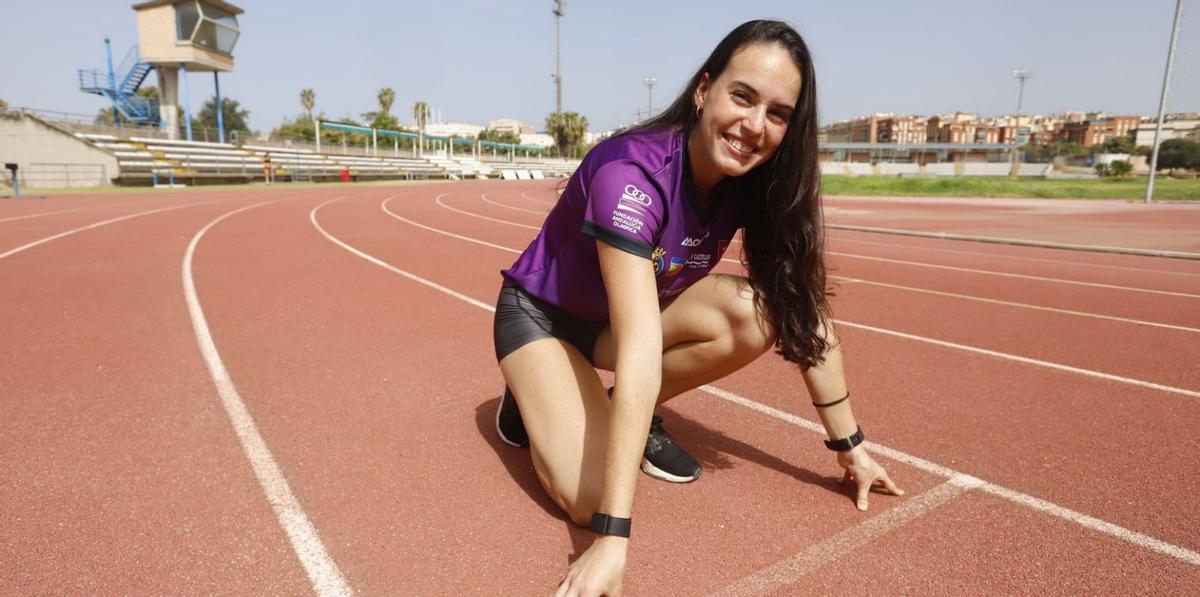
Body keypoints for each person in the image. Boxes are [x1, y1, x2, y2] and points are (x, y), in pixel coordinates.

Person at [492, 19, 903, 596]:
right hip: (544, 317)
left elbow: (801, 311)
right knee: (589, 501)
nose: (754, 125)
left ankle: (609, 411)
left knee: (759, 313)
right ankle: (530, 397)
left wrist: (852, 449)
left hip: (612, 321)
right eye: (743, 96)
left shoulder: (754, 185)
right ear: (704, 89)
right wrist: (612, 538)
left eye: (778, 113)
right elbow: (640, 350)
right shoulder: (631, 174)